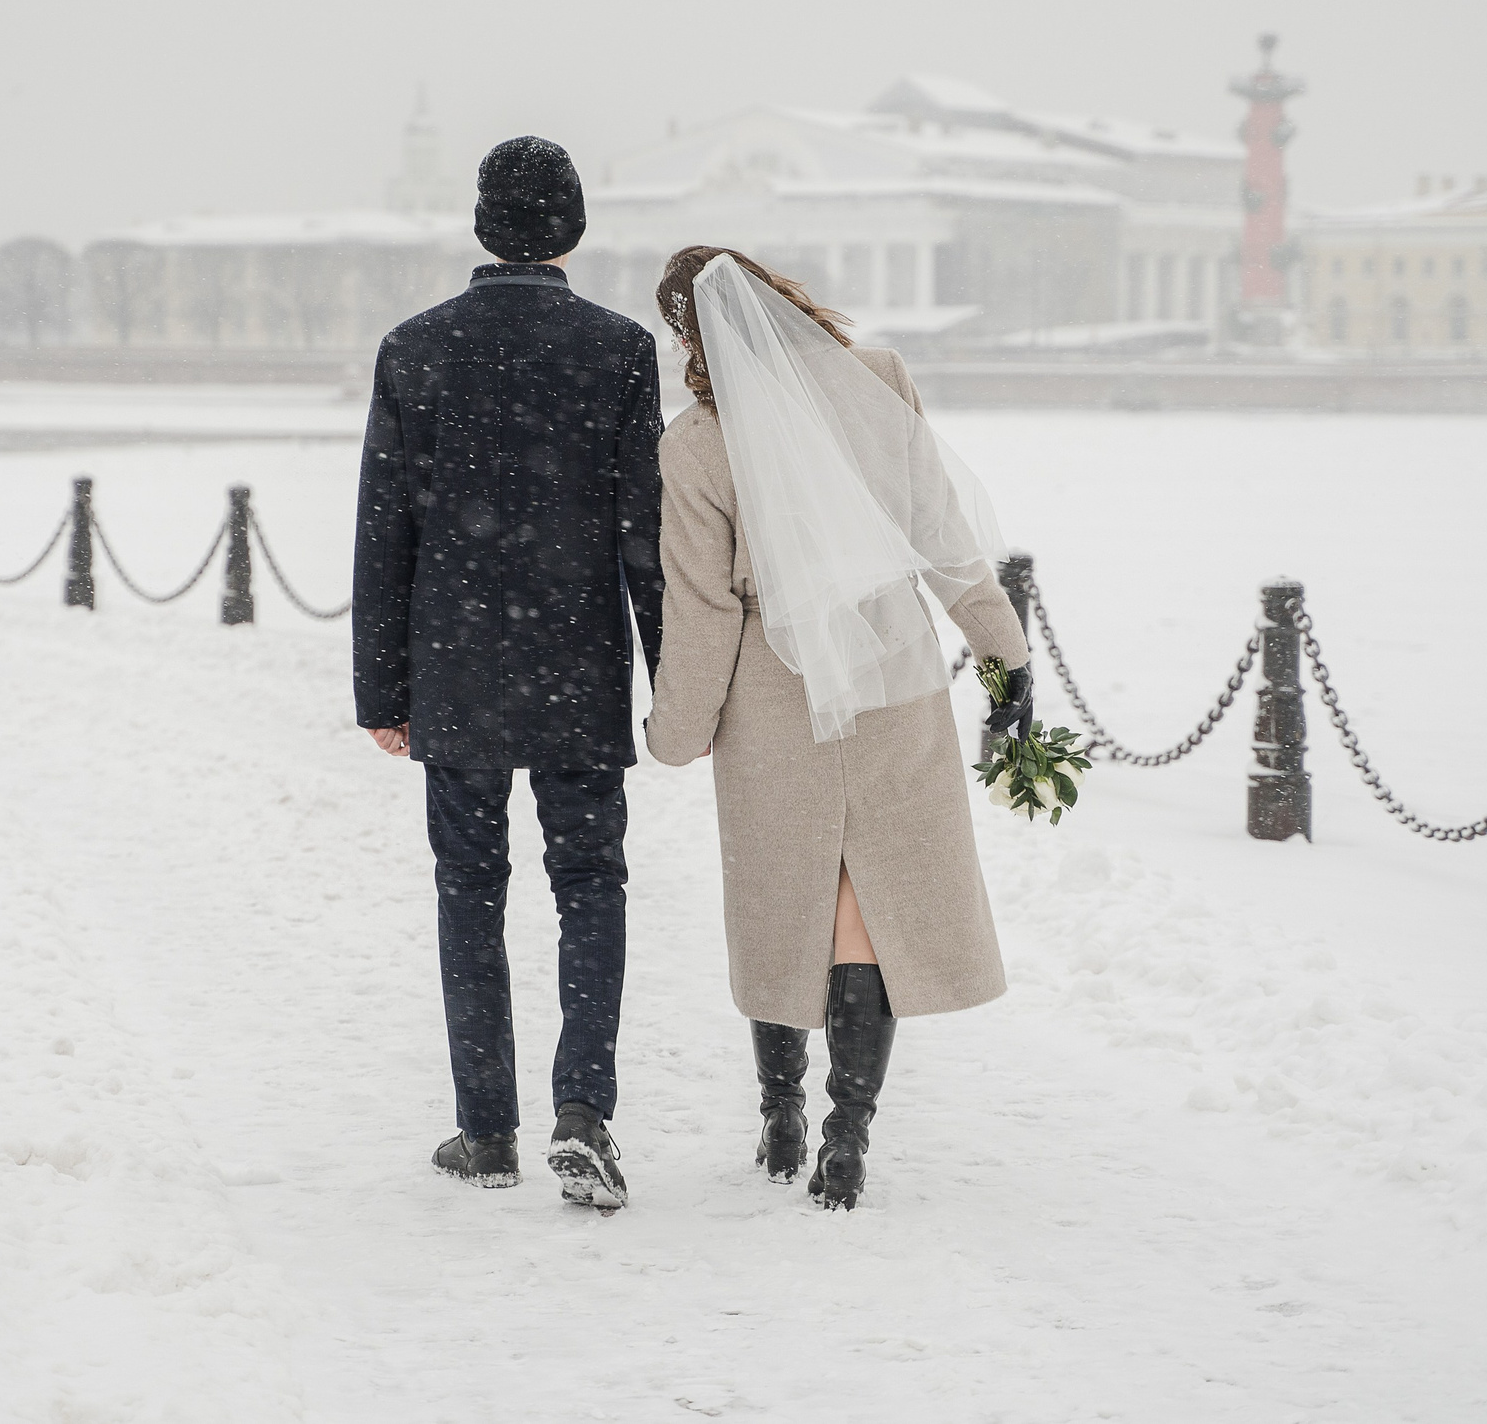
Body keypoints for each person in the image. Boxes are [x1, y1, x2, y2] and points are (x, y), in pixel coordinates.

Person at [642, 246, 1028, 1210]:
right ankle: (848, 1132)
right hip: (891, 669)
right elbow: (944, 538)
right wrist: (1003, 655)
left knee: (784, 898)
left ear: (691, 338)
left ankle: (780, 1112)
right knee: (870, 901)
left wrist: (675, 730)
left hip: (774, 692)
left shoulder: (695, 443)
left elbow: (701, 611)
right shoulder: (878, 380)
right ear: (781, 296)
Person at [352, 136, 664, 1214]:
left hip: (456, 669)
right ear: (569, 231)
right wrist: (677, 680)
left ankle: (486, 1129)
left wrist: (380, 693)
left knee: (468, 889)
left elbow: (382, 535)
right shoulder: (617, 351)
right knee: (590, 882)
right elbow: (645, 535)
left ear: (484, 229)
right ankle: (583, 1108)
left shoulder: (416, 349)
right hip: (578, 663)